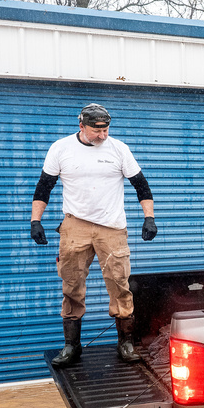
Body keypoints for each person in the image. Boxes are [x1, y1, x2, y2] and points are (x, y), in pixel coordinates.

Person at [30, 103, 158, 366]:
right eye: (96, 130)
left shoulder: (119, 149)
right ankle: (72, 346)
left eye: (106, 129)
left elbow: (141, 185)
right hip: (74, 226)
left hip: (111, 227)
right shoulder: (60, 148)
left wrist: (149, 218)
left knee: (119, 284)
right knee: (71, 285)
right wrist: (35, 221)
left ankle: (125, 343)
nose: (103, 135)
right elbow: (44, 187)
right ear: (81, 126)